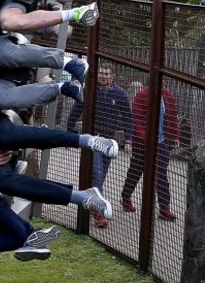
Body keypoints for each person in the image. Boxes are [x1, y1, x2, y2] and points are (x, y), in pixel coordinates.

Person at [66, 63, 133, 228]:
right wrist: (69, 131)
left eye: (106, 74)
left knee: (101, 175)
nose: (103, 76)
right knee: (97, 174)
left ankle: (90, 201)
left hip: (109, 142)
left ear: (112, 76)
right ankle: (98, 212)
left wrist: (128, 140)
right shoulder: (90, 91)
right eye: (101, 74)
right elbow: (76, 109)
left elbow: (127, 118)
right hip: (93, 140)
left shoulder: (120, 94)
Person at [121, 80, 179, 221]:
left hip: (161, 141)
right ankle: (126, 197)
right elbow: (136, 119)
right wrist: (145, 137)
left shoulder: (168, 96)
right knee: (136, 170)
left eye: (165, 79)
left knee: (161, 174)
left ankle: (164, 208)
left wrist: (175, 136)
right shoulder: (142, 95)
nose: (162, 81)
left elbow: (172, 118)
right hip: (143, 142)